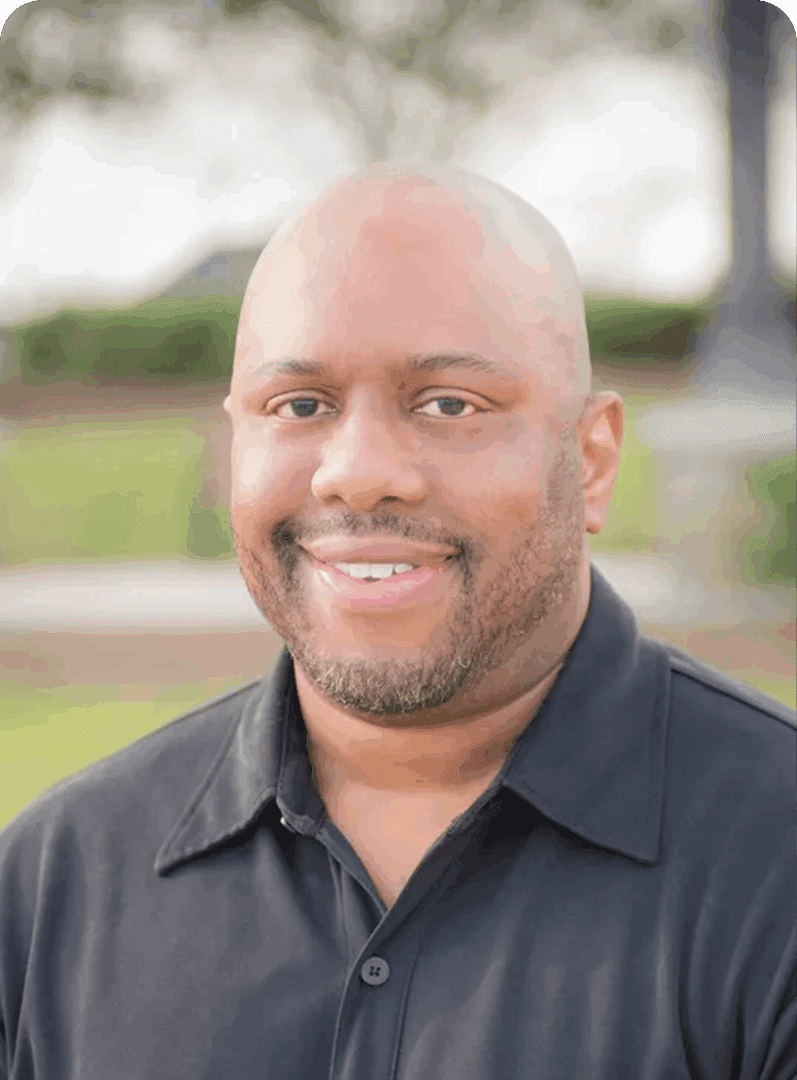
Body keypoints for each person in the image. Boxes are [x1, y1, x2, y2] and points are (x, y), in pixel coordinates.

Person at [0, 162, 793, 1080]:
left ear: (592, 459)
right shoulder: (56, 883)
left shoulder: (776, 861)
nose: (359, 470)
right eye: (299, 405)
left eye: (450, 404)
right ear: (232, 452)